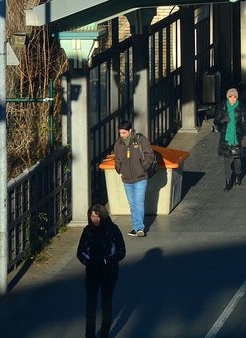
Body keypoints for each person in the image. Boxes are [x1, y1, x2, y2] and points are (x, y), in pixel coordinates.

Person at [76, 203, 126, 338]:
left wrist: (107, 261)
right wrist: (88, 261)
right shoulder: (87, 231)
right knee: (90, 306)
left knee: (106, 304)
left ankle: (104, 334)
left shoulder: (113, 229)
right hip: (92, 272)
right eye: (93, 216)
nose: (95, 219)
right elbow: (80, 251)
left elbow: (121, 251)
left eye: (98, 217)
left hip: (109, 272)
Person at [112, 119, 155, 237]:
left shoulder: (140, 140)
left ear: (130, 131)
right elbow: (116, 158)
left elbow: (149, 154)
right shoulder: (118, 143)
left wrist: (144, 166)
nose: (121, 135)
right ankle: (136, 227)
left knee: (139, 202)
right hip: (126, 178)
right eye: (120, 133)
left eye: (124, 132)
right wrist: (118, 168)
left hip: (140, 177)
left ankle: (139, 228)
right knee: (132, 204)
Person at [214, 87, 246, 190]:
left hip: (237, 137)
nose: (232, 99)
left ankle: (238, 175)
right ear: (227, 97)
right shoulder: (223, 106)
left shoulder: (240, 107)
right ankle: (228, 181)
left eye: (234, 97)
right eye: (230, 97)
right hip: (226, 137)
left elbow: (244, 123)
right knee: (226, 161)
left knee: (237, 160)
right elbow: (216, 121)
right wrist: (223, 120)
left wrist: (245, 136)